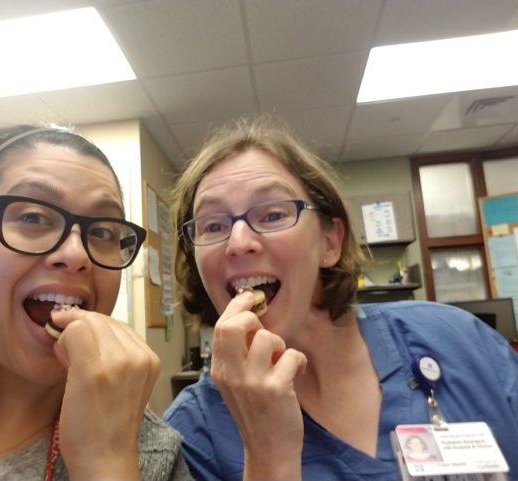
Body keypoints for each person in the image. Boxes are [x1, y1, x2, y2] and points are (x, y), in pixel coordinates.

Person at [162, 116, 518, 480]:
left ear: (329, 242)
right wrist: (269, 456)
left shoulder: (456, 340)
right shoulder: (193, 435)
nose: (238, 242)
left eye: (272, 214)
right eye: (213, 226)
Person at [0, 124, 191, 480]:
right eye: (33, 217)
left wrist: (106, 465)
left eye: (102, 232)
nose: (77, 254)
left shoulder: (158, 457)